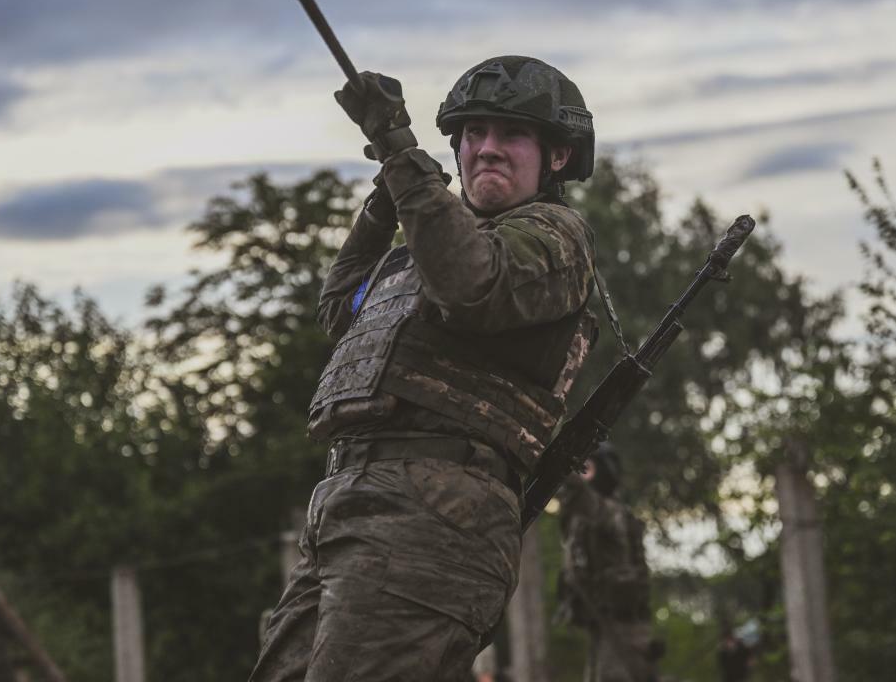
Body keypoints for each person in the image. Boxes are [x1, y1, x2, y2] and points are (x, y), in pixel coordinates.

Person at [249, 55, 599, 681]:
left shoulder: (553, 235)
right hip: (347, 503)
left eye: (512, 134)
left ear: (558, 156)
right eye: (473, 133)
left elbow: (473, 285)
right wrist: (384, 204)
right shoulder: (424, 252)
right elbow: (341, 309)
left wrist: (399, 151)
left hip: (436, 511)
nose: (486, 149)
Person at [556, 442, 660, 682]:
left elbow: (582, 498)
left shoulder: (611, 512)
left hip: (622, 627)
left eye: (587, 468)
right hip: (603, 624)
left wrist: (562, 462)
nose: (583, 473)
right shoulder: (593, 515)